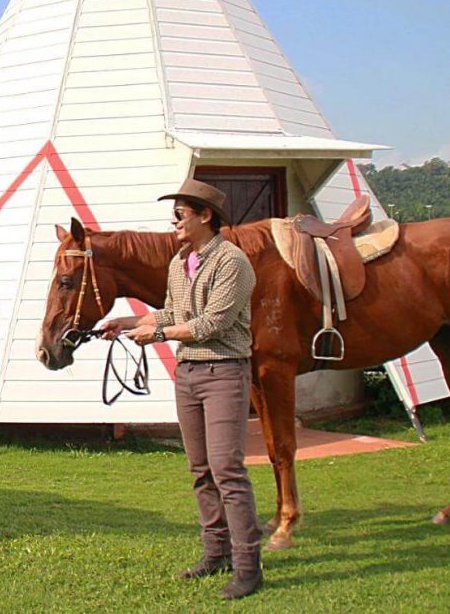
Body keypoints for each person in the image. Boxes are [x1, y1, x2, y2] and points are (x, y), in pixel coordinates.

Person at [100, 178, 263, 600]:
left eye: (179, 214)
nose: (173, 221)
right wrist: (127, 322)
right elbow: (170, 311)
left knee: (228, 470)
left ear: (204, 216)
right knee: (200, 469)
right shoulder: (179, 262)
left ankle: (248, 566)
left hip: (225, 372)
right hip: (189, 375)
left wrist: (157, 336)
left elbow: (213, 323)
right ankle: (215, 554)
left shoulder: (232, 263)